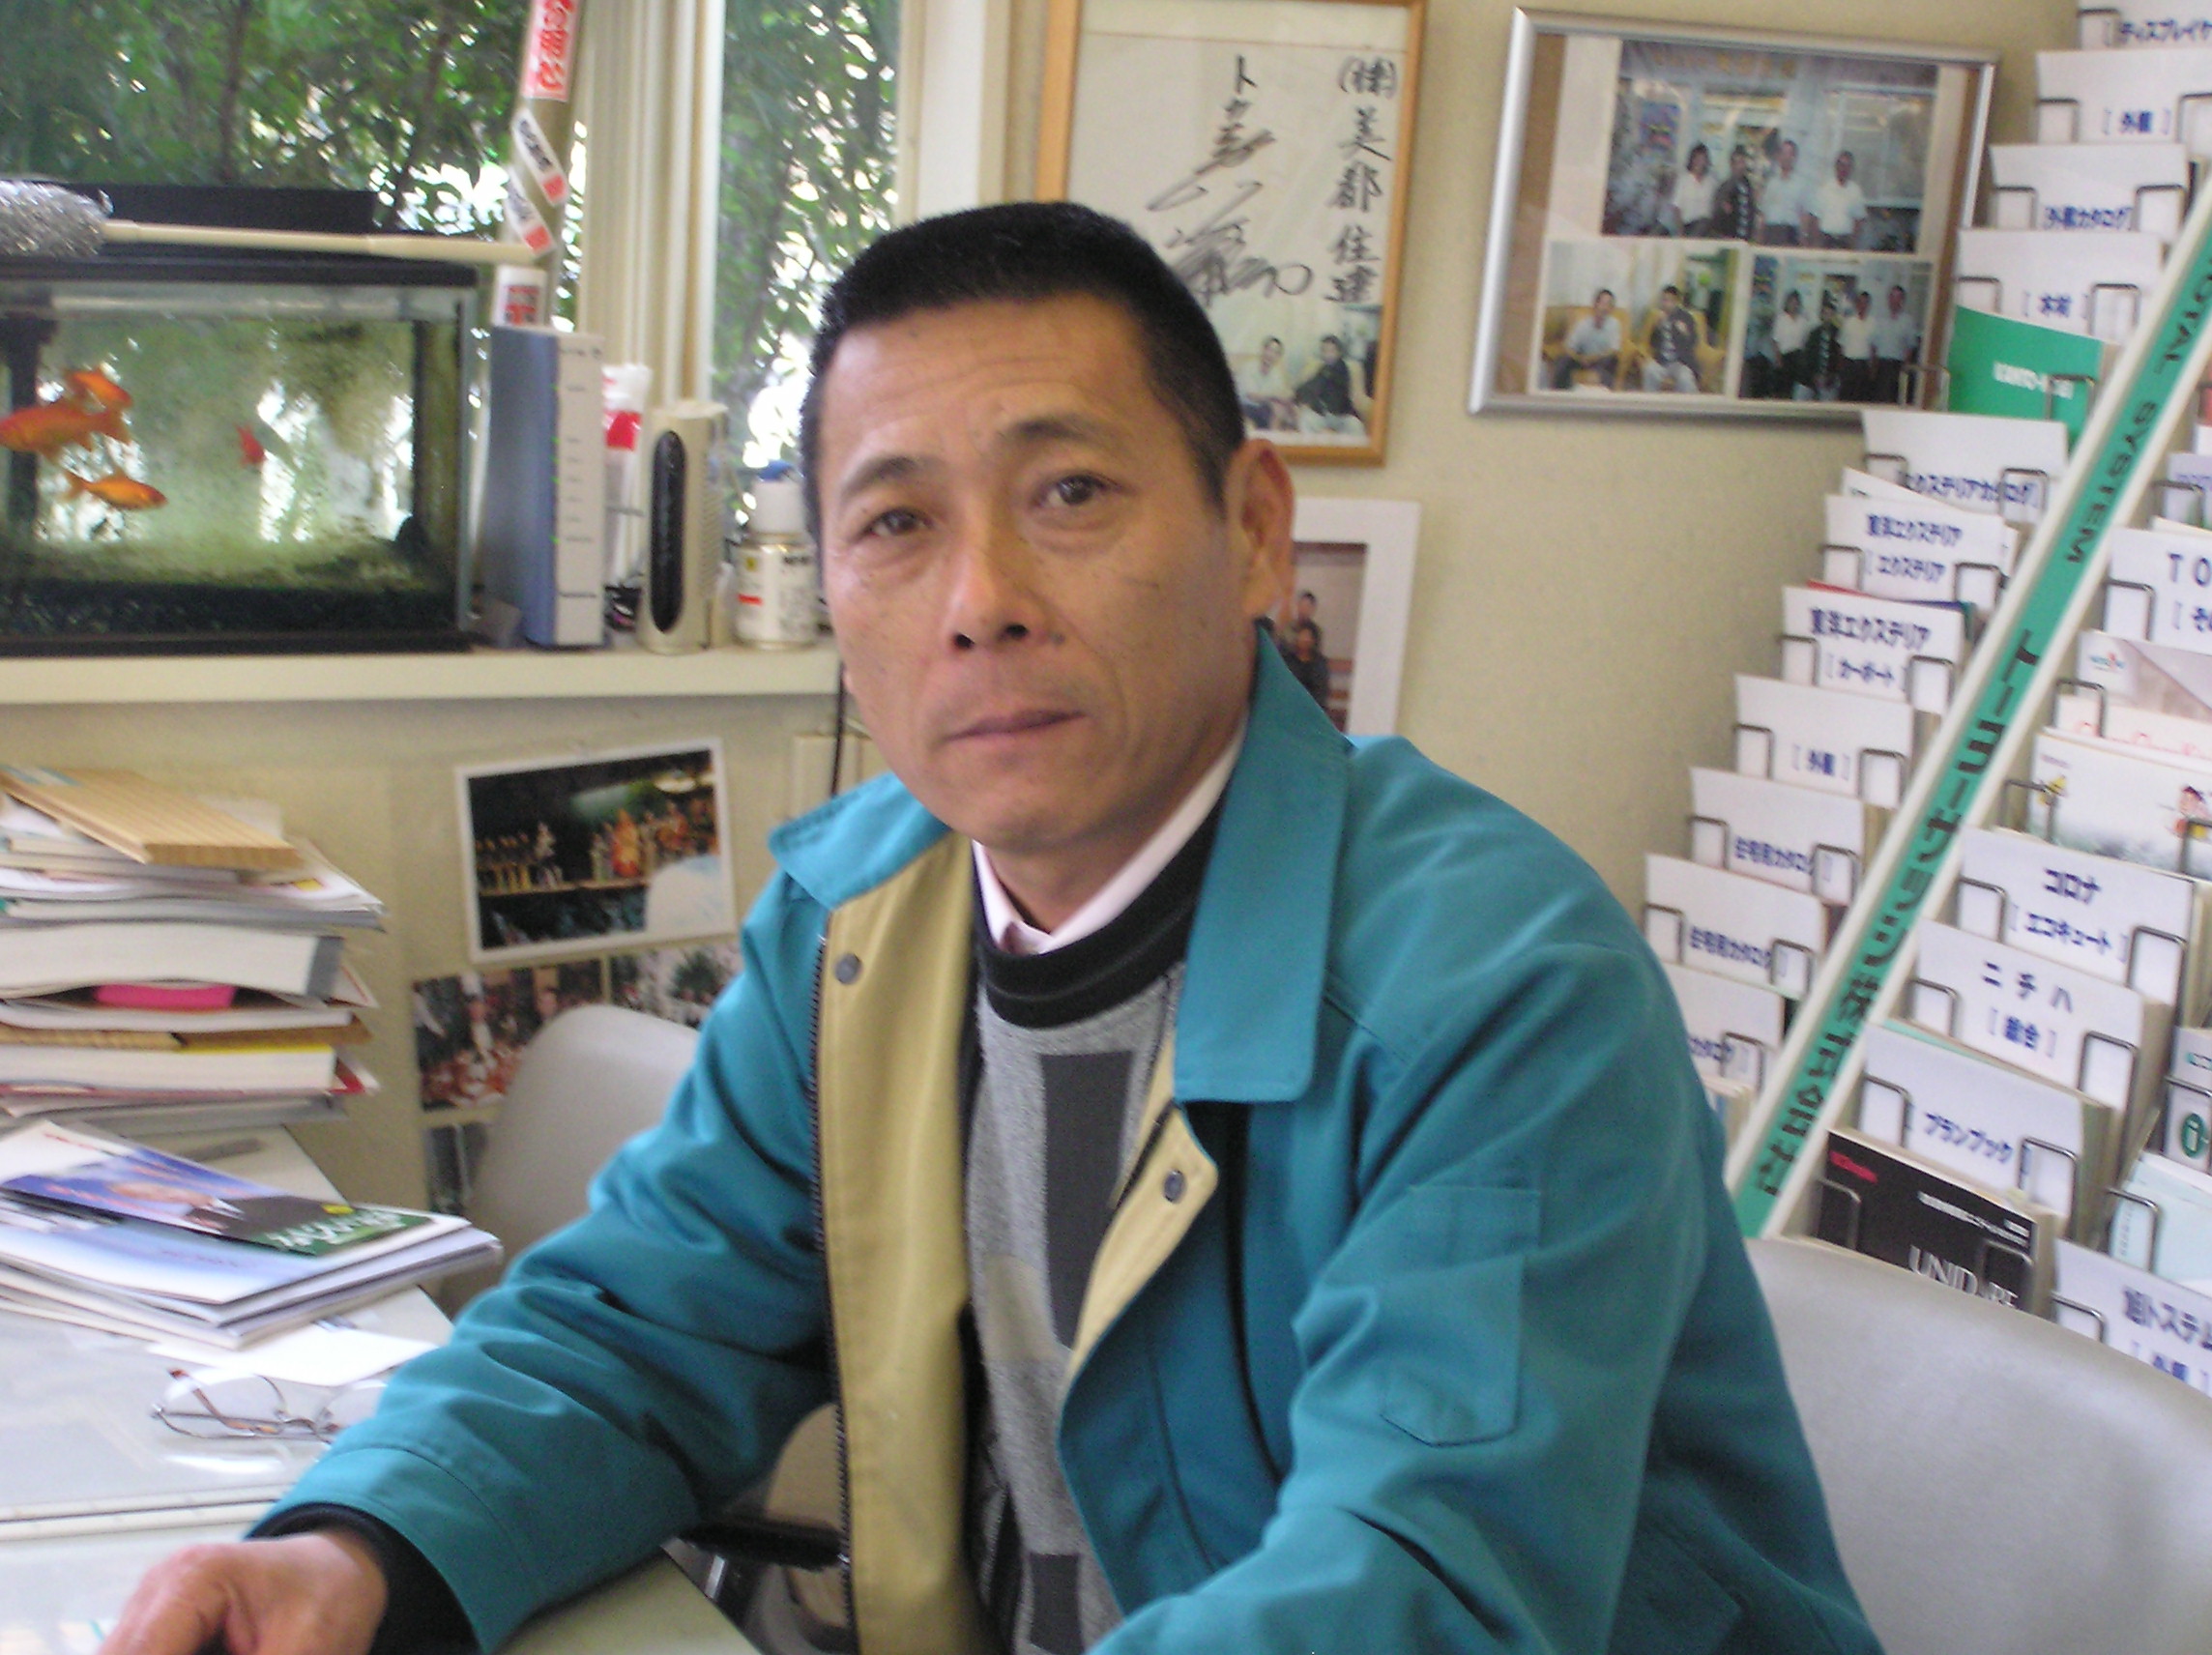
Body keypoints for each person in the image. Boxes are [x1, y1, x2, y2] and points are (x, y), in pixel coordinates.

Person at [100, 201, 1879, 1655]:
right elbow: (640, 1331)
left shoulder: (1496, 988)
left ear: (1256, 529)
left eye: (1070, 495)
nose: (981, 603)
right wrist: (355, 1548)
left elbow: (1424, 1585)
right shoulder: (858, 920)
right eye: (895, 523)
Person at [1551, 287, 1621, 388]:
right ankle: (1559, 392)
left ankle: (1605, 393)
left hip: (1601, 360)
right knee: (1563, 360)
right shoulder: (1583, 324)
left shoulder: (1614, 324)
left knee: (1613, 360)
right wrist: (1579, 358)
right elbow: (1569, 346)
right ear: (1595, 305)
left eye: (1608, 305)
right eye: (1602, 303)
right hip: (1582, 359)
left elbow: (1613, 350)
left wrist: (1594, 358)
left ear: (1612, 309)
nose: (1604, 308)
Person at [1293, 334, 1363, 434]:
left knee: (1355, 425)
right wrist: (1299, 401)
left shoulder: (1342, 369)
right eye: (1324, 351)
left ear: (1338, 352)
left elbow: (1320, 387)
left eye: (1331, 351)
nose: (1328, 355)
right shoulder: (1322, 369)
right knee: (1305, 419)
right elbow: (1308, 387)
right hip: (1323, 416)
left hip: (1340, 416)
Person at [1641, 283, 1703, 393]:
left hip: (1679, 362)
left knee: (1685, 379)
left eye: (1669, 300)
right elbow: (1652, 343)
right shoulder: (1658, 316)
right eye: (1663, 300)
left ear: (1676, 302)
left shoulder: (1686, 318)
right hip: (1661, 361)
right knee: (1649, 370)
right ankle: (1651, 401)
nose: (1665, 304)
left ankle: (1688, 403)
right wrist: (1658, 326)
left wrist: (1685, 333)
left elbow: (1693, 343)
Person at [1809, 150, 1869, 249]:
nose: (1843, 169)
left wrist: (1853, 243)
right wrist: (1816, 243)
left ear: (1851, 168)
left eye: (1847, 165)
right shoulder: (1824, 188)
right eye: (1841, 165)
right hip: (1826, 240)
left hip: (1845, 241)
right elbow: (1815, 218)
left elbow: (1859, 220)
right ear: (1836, 166)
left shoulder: (1855, 191)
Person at [1872, 283, 1919, 404]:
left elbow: (1910, 346)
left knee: (1894, 400)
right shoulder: (1880, 319)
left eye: (1898, 297)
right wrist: (1873, 367)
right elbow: (1874, 345)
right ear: (1888, 299)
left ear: (1902, 300)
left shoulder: (1908, 321)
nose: (1894, 300)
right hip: (1881, 365)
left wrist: (1905, 368)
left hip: (1897, 366)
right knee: (1879, 399)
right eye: (1892, 296)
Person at [1235, 336, 1295, 430]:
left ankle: (1274, 437)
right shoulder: (1249, 367)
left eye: (1276, 352)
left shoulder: (1276, 373)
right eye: (1269, 350)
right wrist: (1274, 396)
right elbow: (1252, 396)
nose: (1271, 355)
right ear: (1262, 350)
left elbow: (1280, 394)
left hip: (1263, 409)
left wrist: (1286, 398)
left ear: (1278, 357)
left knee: (1279, 410)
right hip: (1244, 407)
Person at [1707, 144, 1761, 243]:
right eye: (1737, 163)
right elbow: (1719, 211)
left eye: (1742, 162)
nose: (1741, 166)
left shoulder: (1749, 186)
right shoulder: (1726, 187)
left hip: (1746, 237)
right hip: (1730, 237)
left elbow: (1752, 210)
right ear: (1732, 165)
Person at [1760, 137, 1806, 247]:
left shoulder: (1800, 184)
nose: (1785, 157)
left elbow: (1804, 214)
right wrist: (1760, 236)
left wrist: (1803, 236)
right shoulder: (1771, 183)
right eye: (1782, 153)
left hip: (1791, 232)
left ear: (1794, 157)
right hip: (1772, 230)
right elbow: (1764, 212)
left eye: (1789, 153)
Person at [1768, 288, 1812, 400]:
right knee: (1783, 388)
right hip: (1784, 356)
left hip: (1798, 357)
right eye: (1791, 302)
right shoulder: (1781, 319)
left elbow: (1806, 341)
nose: (1793, 305)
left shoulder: (1803, 320)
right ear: (1787, 303)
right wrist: (1778, 358)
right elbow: (1775, 340)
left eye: (1796, 302)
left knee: (1796, 388)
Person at [1666, 141, 1717, 237]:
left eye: (1702, 159)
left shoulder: (1711, 182)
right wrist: (1680, 232)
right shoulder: (1683, 180)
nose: (1699, 162)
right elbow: (1676, 208)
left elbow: (1715, 205)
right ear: (1691, 160)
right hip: (1688, 225)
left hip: (1707, 226)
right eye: (1696, 159)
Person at [1804, 292, 1848, 401]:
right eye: (1825, 313)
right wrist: (1814, 375)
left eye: (1830, 314)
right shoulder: (1814, 333)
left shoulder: (1838, 333)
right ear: (1821, 315)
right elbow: (1809, 356)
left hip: (1831, 379)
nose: (1828, 317)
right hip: (1814, 378)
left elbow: (1839, 356)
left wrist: (1832, 375)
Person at [1282, 619, 1332, 710]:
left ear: (1314, 640)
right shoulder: (1287, 659)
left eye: (1308, 637)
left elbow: (1321, 690)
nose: (1305, 640)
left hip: (1313, 706)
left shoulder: (1320, 662)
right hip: (1289, 704)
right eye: (1302, 636)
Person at [1838, 289, 1877, 402]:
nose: (1862, 305)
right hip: (1849, 365)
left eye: (1865, 302)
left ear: (1869, 305)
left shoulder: (1873, 323)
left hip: (1863, 366)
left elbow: (1874, 348)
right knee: (1846, 399)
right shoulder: (1848, 322)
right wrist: (1841, 368)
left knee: (1861, 399)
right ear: (1856, 304)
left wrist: (1873, 370)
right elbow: (1841, 346)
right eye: (1860, 302)